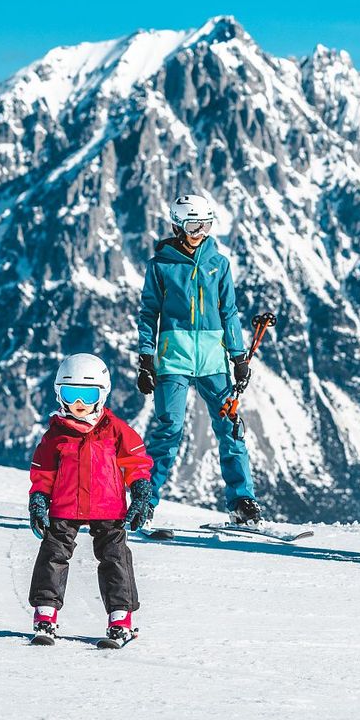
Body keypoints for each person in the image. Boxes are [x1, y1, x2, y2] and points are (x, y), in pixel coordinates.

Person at [135, 193, 260, 524]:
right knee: (169, 429)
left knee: (230, 427)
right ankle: (144, 500)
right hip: (173, 359)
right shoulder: (160, 266)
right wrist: (146, 358)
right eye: (193, 226)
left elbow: (228, 311)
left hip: (212, 360)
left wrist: (238, 356)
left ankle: (242, 501)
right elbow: (148, 313)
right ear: (177, 226)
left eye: (206, 225)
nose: (200, 233)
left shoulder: (219, 264)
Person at [27, 354, 154, 646]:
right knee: (52, 555)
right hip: (65, 506)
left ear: (102, 394)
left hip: (108, 507)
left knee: (115, 558)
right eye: (71, 394)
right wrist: (39, 500)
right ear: (59, 394)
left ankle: (120, 618)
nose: (79, 403)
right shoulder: (56, 435)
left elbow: (136, 462)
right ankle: (45, 614)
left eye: (88, 396)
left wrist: (140, 492)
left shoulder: (114, 428)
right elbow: (43, 472)